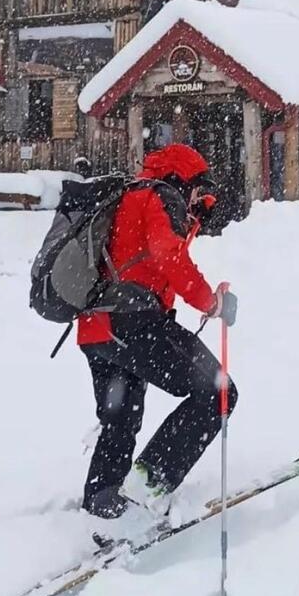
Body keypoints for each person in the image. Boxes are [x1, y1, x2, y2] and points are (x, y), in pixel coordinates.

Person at [77, 143, 237, 518]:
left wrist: (196, 215)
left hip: (97, 329)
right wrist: (210, 303)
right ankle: (145, 490)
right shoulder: (160, 196)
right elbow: (169, 255)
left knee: (121, 418)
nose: (199, 196)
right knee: (219, 393)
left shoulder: (129, 195)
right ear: (182, 178)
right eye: (198, 187)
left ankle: (103, 507)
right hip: (134, 323)